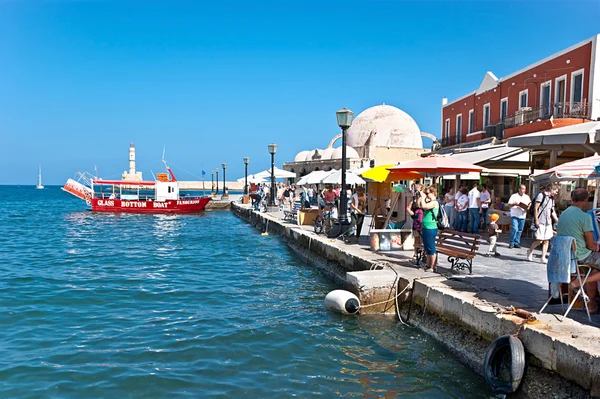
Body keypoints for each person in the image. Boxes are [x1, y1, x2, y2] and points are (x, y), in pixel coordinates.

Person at [557, 188, 600, 313]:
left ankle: (591, 305)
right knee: (592, 265)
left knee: (592, 270)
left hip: (566, 255)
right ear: (586, 200)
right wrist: (595, 245)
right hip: (581, 256)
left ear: (572, 199)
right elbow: (591, 246)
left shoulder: (564, 214)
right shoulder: (585, 217)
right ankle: (577, 283)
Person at [526, 184, 559, 263]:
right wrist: (536, 220)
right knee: (540, 240)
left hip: (548, 221)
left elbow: (552, 211)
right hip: (541, 220)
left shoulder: (552, 199)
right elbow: (536, 208)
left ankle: (543, 257)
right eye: (555, 191)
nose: (556, 193)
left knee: (547, 240)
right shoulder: (541, 195)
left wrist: (558, 220)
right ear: (551, 189)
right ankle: (530, 250)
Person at [418, 186, 440, 272]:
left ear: (433, 193)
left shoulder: (434, 203)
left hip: (431, 227)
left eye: (428, 193)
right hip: (426, 227)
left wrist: (423, 197)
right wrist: (420, 196)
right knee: (427, 247)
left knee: (431, 247)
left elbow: (424, 206)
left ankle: (432, 266)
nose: (426, 195)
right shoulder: (429, 201)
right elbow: (420, 205)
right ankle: (428, 264)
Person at [508, 184, 531, 249]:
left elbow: (529, 204)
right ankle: (511, 242)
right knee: (515, 228)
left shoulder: (526, 197)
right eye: (522, 189)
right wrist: (514, 204)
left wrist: (528, 207)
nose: (523, 190)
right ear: (519, 189)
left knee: (520, 230)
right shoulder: (514, 196)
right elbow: (509, 204)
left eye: (524, 189)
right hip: (515, 214)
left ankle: (516, 243)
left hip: (522, 215)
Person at [406, 186, 424, 259]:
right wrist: (411, 213)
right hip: (416, 221)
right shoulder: (413, 199)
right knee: (416, 238)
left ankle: (423, 253)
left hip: (423, 221)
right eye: (415, 191)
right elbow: (408, 207)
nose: (417, 192)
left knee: (423, 239)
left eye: (418, 190)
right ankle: (416, 253)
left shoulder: (424, 199)